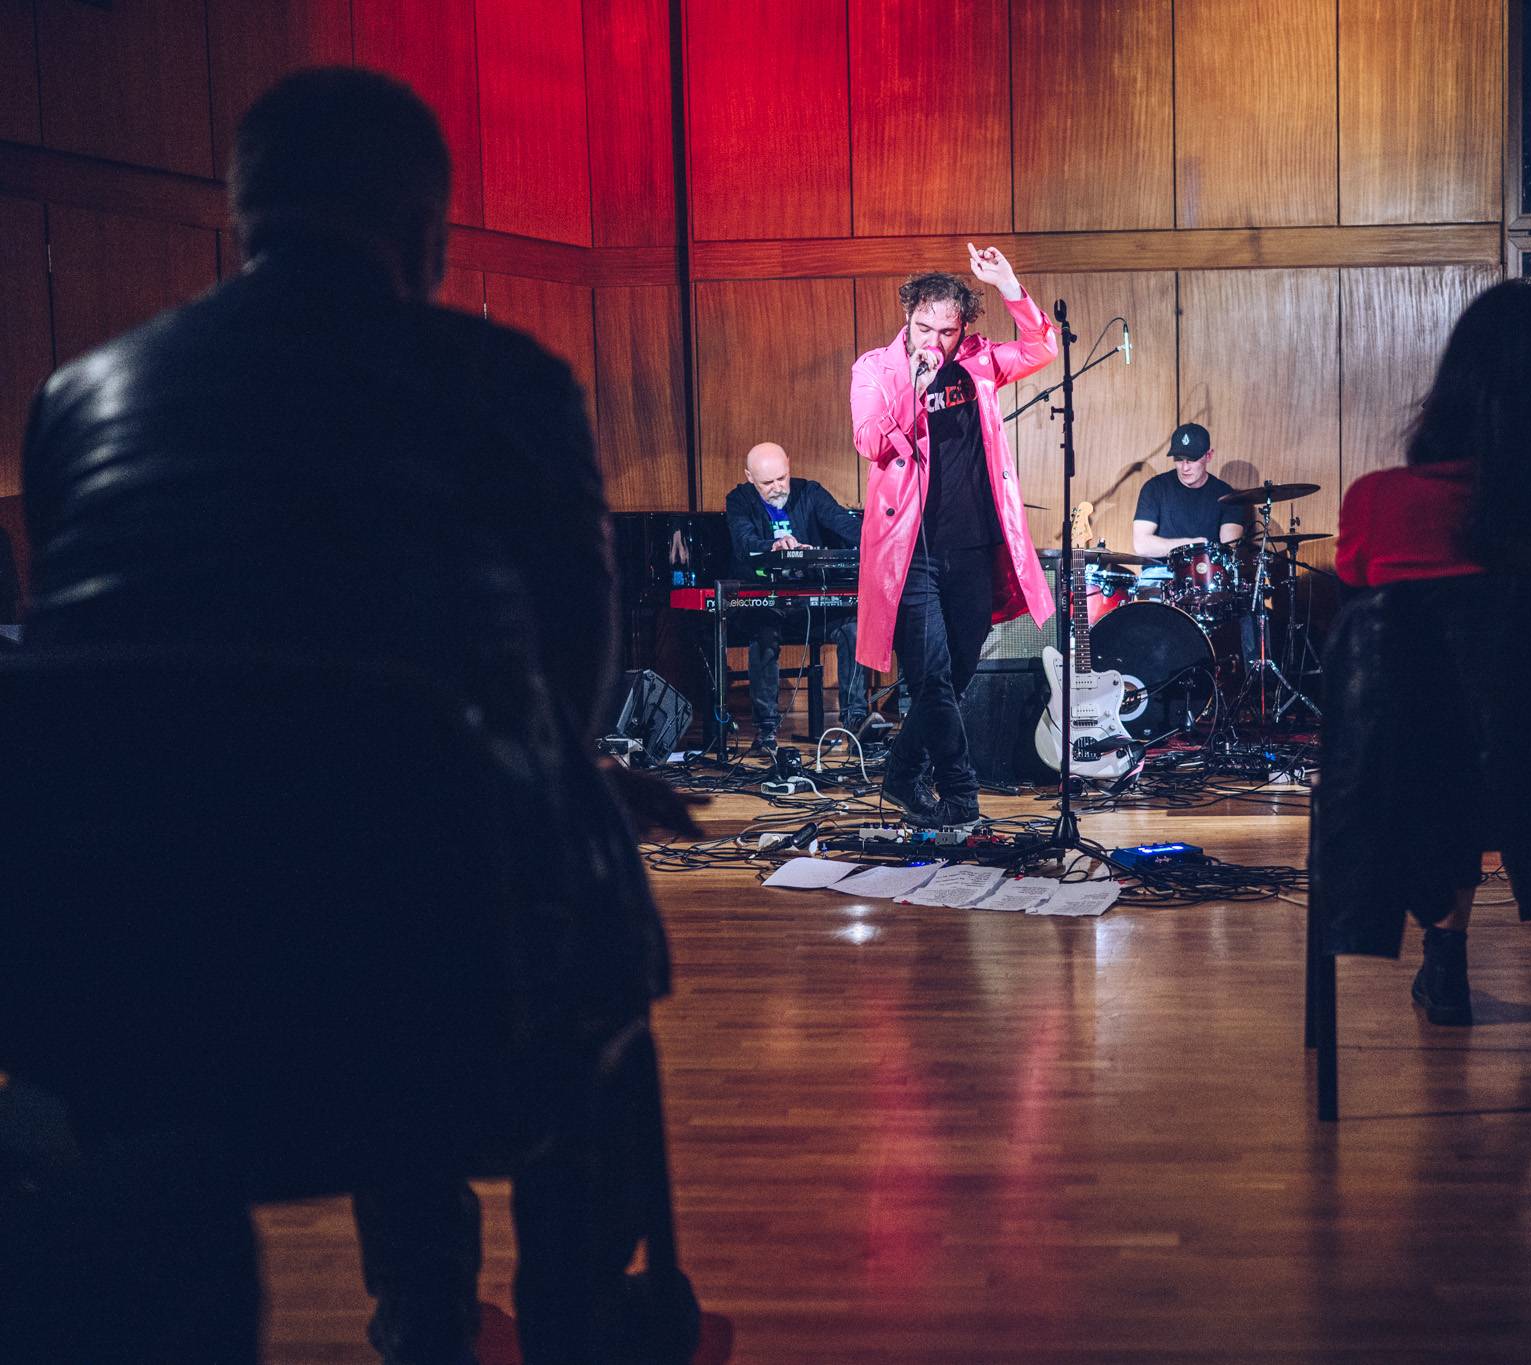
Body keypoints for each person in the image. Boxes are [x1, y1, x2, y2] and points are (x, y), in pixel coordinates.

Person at [13, 68, 700, 1365]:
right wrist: (559, 775)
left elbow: (95, 689)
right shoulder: (503, 381)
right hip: (439, 1002)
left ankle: (420, 1317)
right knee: (450, 880)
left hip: (137, 1007)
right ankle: (550, 1325)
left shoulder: (76, 400)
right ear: (429, 233)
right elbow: (572, 680)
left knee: (385, 842)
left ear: (242, 212)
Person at [1333, 278, 1531, 1026]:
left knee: (1439, 730)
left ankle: (1446, 955)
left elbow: (1358, 625)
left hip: (1411, 781)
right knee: (1492, 728)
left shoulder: (1377, 500)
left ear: (1452, 388)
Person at [849, 246, 1056, 828]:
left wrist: (1012, 284)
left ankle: (899, 774)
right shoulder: (875, 369)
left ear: (962, 326)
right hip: (909, 553)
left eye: (946, 331)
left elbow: (1042, 347)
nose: (933, 342)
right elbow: (870, 441)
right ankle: (962, 796)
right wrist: (913, 391)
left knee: (958, 674)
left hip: (972, 548)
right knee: (933, 678)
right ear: (907, 317)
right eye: (923, 329)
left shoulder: (981, 362)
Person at [722, 441, 868, 752]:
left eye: (782, 478)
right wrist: (773, 546)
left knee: (852, 627)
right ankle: (766, 730)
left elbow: (846, 526)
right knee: (763, 632)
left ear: (789, 465)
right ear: (750, 477)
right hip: (766, 608)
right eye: (767, 482)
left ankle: (855, 722)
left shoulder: (810, 492)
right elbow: (743, 542)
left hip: (809, 608)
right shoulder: (738, 500)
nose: (777, 488)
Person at [1129, 424, 1247, 558]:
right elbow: (1141, 545)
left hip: (1206, 570)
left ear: (1208, 456)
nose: (1184, 468)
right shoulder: (1154, 488)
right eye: (1179, 459)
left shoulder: (1228, 495)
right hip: (1160, 571)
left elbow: (1228, 549)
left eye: (1192, 460)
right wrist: (1193, 545)